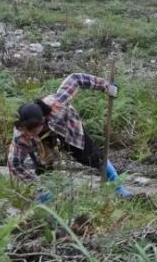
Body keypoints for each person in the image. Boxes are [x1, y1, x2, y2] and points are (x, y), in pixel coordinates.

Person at [8, 72, 132, 202]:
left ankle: (119, 189)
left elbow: (76, 79)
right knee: (43, 167)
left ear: (43, 120)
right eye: (26, 130)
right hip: (43, 141)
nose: (29, 134)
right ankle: (46, 199)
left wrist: (105, 85)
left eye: (32, 130)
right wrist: (36, 186)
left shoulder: (57, 104)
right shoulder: (21, 135)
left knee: (94, 157)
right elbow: (14, 163)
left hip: (68, 128)